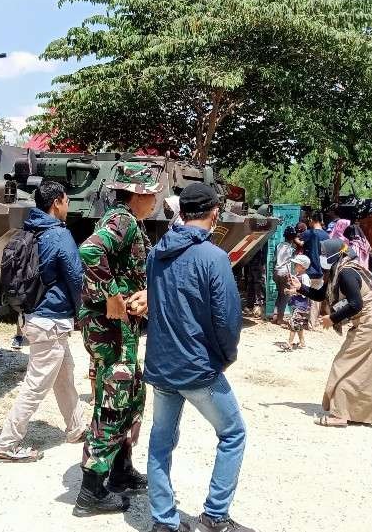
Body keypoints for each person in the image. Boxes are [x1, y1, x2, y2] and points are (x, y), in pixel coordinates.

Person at [144, 183, 253, 532]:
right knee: (233, 433)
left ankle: (164, 520)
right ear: (215, 213)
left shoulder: (156, 253)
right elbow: (227, 319)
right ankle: (215, 515)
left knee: (161, 439)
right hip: (197, 368)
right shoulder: (214, 257)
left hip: (161, 365)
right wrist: (224, 357)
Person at [73, 163, 160, 518]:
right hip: (110, 330)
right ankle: (91, 491)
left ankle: (120, 470)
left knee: (129, 394)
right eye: (151, 192)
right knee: (114, 400)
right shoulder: (121, 220)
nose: (154, 199)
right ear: (137, 193)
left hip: (119, 331)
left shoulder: (128, 222)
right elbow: (90, 251)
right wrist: (111, 293)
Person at [0, 181, 85, 462]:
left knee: (65, 373)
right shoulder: (58, 235)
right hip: (51, 321)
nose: (68, 206)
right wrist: (82, 311)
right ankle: (7, 445)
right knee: (36, 385)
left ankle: (76, 428)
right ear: (57, 202)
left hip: (36, 316)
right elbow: (75, 276)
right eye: (67, 200)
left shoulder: (31, 228)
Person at [291, 238, 372, 427]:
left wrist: (332, 319)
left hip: (371, 321)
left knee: (345, 365)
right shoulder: (340, 271)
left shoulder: (346, 272)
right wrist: (301, 288)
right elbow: (322, 295)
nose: (322, 257)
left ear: (336, 255)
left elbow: (356, 304)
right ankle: (371, 408)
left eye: (325, 254)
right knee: (370, 367)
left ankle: (340, 414)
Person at [299, 212, 330, 330]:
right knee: (315, 299)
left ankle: (299, 320)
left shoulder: (308, 233)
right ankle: (312, 323)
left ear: (312, 220)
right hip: (321, 271)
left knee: (302, 294)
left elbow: (299, 241)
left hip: (308, 269)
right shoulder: (327, 236)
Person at [271, 226, 298, 325]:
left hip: (276, 272)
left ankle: (274, 316)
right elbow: (293, 262)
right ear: (293, 237)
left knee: (279, 295)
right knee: (285, 296)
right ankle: (280, 319)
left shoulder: (279, 245)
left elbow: (274, 259)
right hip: (285, 273)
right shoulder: (292, 249)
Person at [284, 255, 311, 351]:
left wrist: (292, 291)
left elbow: (306, 291)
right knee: (298, 324)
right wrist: (289, 289)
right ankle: (302, 342)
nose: (295, 265)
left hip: (302, 305)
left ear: (303, 267)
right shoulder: (297, 276)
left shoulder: (305, 277)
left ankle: (289, 343)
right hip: (296, 303)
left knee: (293, 322)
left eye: (297, 264)